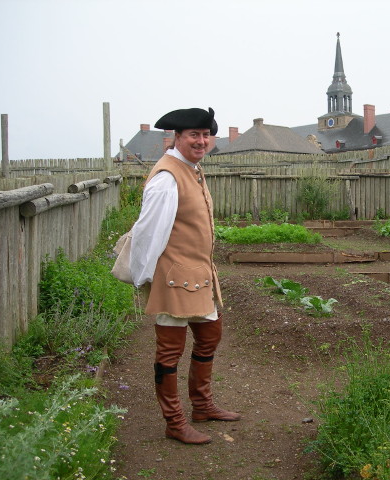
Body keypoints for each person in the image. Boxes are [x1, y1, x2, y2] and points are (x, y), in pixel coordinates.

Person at [129, 107, 241, 445]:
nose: (201, 141)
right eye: (194, 134)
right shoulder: (167, 176)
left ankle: (203, 406)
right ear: (176, 137)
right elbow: (148, 232)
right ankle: (174, 422)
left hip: (200, 274)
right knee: (169, 352)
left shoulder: (193, 170)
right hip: (174, 278)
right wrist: (145, 277)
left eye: (206, 135)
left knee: (210, 335)